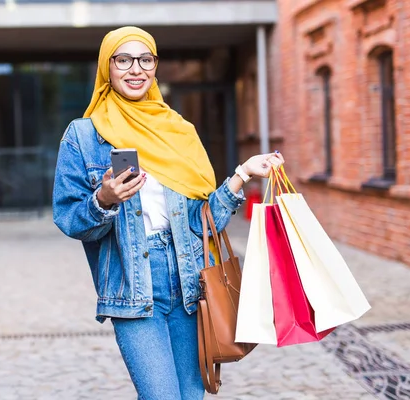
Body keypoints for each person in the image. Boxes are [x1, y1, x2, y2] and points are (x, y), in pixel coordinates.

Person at [52, 26, 284, 400]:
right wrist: (105, 199)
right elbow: (69, 219)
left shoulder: (179, 131)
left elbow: (202, 222)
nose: (135, 69)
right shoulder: (84, 135)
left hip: (191, 285)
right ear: (106, 68)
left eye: (146, 59)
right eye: (123, 59)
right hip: (133, 288)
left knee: (190, 397)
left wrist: (242, 174)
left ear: (155, 66)